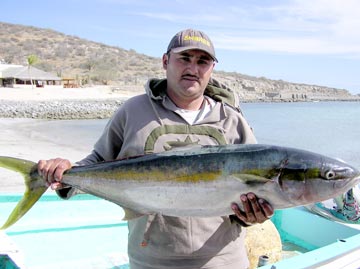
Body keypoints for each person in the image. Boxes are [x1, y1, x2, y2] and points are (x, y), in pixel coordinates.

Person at [38, 29, 274, 269]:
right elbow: (97, 162)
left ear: (211, 69)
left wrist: (252, 216)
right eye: (184, 58)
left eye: (202, 61)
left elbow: (257, 188)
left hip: (223, 261)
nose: (193, 68)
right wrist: (66, 173)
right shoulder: (132, 112)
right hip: (151, 262)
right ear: (165, 61)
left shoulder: (232, 121)